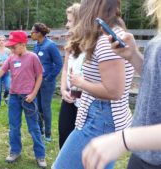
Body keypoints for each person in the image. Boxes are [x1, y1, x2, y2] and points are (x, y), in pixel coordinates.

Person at [51, 0, 134, 168]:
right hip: (105, 117)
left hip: (99, 118)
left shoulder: (105, 40)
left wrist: (81, 83)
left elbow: (114, 91)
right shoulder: (113, 35)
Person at [82, 0, 161, 168]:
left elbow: (113, 90)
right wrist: (133, 56)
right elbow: (155, 81)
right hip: (143, 152)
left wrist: (123, 140)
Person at [0, 30, 47, 168]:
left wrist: (33, 94)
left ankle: (40, 155)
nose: (11, 49)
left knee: (34, 128)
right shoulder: (11, 58)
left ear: (23, 44)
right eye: (10, 47)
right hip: (14, 98)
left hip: (28, 98)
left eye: (13, 47)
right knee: (14, 127)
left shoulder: (33, 57)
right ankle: (15, 151)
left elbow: (39, 76)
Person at [31, 22, 63, 142]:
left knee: (45, 107)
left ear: (39, 33)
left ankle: (48, 134)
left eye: (33, 32)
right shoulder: (36, 45)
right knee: (37, 107)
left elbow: (59, 64)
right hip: (36, 81)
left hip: (46, 82)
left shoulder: (50, 46)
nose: (31, 34)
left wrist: (49, 78)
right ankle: (40, 130)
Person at [58, 2, 82, 150]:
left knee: (79, 139)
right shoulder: (71, 43)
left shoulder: (92, 44)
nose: (67, 25)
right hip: (68, 97)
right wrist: (62, 90)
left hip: (83, 102)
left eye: (70, 21)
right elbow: (65, 68)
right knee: (64, 133)